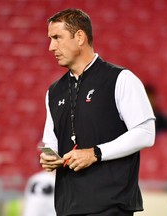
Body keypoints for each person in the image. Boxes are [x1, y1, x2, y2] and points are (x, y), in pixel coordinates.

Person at [39, 8, 156, 216]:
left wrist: (96, 153)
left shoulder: (121, 79)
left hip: (111, 207)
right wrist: (50, 157)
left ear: (80, 37)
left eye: (57, 37)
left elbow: (146, 133)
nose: (51, 47)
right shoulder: (54, 91)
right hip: (67, 207)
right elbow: (51, 142)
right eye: (50, 39)